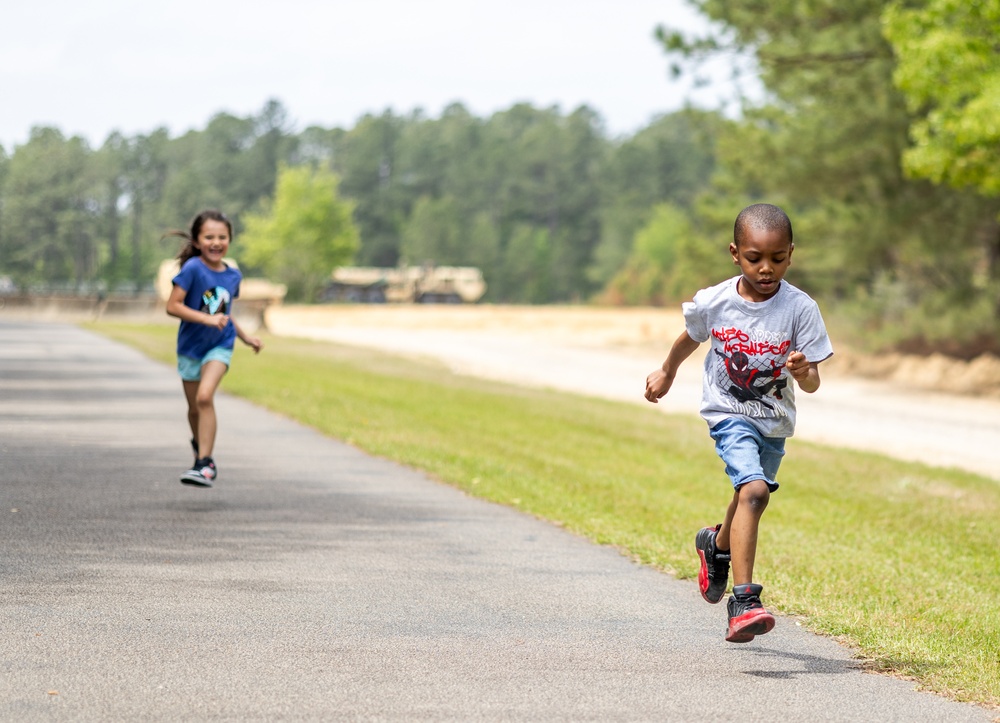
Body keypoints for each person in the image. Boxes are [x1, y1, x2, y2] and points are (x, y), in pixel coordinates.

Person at [644, 203, 833, 643]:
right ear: (735, 253)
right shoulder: (717, 300)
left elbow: (813, 385)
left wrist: (805, 371)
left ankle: (716, 546)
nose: (766, 268)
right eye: (755, 258)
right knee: (754, 492)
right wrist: (668, 372)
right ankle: (744, 601)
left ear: (791, 254)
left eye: (778, 258)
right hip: (728, 413)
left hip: (773, 420)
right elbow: (690, 336)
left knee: (749, 494)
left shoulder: (801, 308)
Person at [164, 210, 263, 487]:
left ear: (230, 240)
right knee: (194, 408)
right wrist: (207, 318)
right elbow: (173, 306)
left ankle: (205, 464)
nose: (216, 242)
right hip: (190, 347)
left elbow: (224, 313)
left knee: (205, 397)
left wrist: (245, 338)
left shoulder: (233, 276)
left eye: (222, 237)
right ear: (197, 241)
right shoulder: (193, 269)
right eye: (209, 237)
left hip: (219, 345)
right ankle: (199, 447)